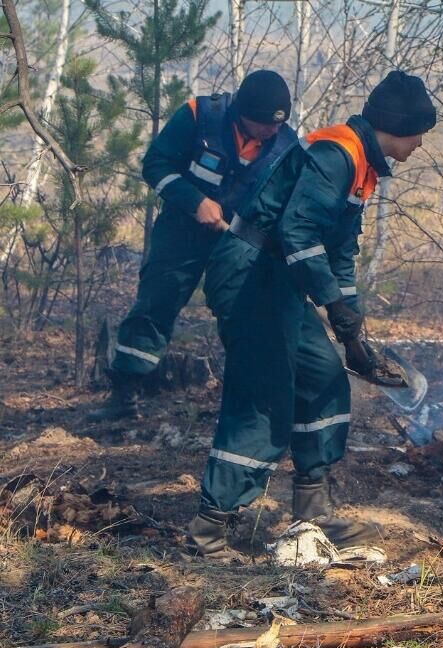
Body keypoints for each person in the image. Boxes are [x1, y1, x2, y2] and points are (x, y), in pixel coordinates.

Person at [185, 71, 437, 560]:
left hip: (280, 282)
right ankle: (209, 532)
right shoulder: (335, 155)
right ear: (395, 125)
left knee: (323, 377)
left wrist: (353, 331)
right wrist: (334, 307)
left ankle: (311, 518)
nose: (421, 144)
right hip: (249, 275)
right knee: (263, 398)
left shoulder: (360, 166)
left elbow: (339, 253)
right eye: (417, 133)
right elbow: (299, 235)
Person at [90, 70, 298, 421]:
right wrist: (194, 200)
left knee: (246, 315)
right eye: (264, 123)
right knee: (157, 300)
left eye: (278, 124)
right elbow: (155, 165)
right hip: (181, 232)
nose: (272, 131)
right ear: (243, 112)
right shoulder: (201, 115)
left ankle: (246, 403)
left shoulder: (286, 147)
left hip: (238, 242)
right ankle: (125, 394)